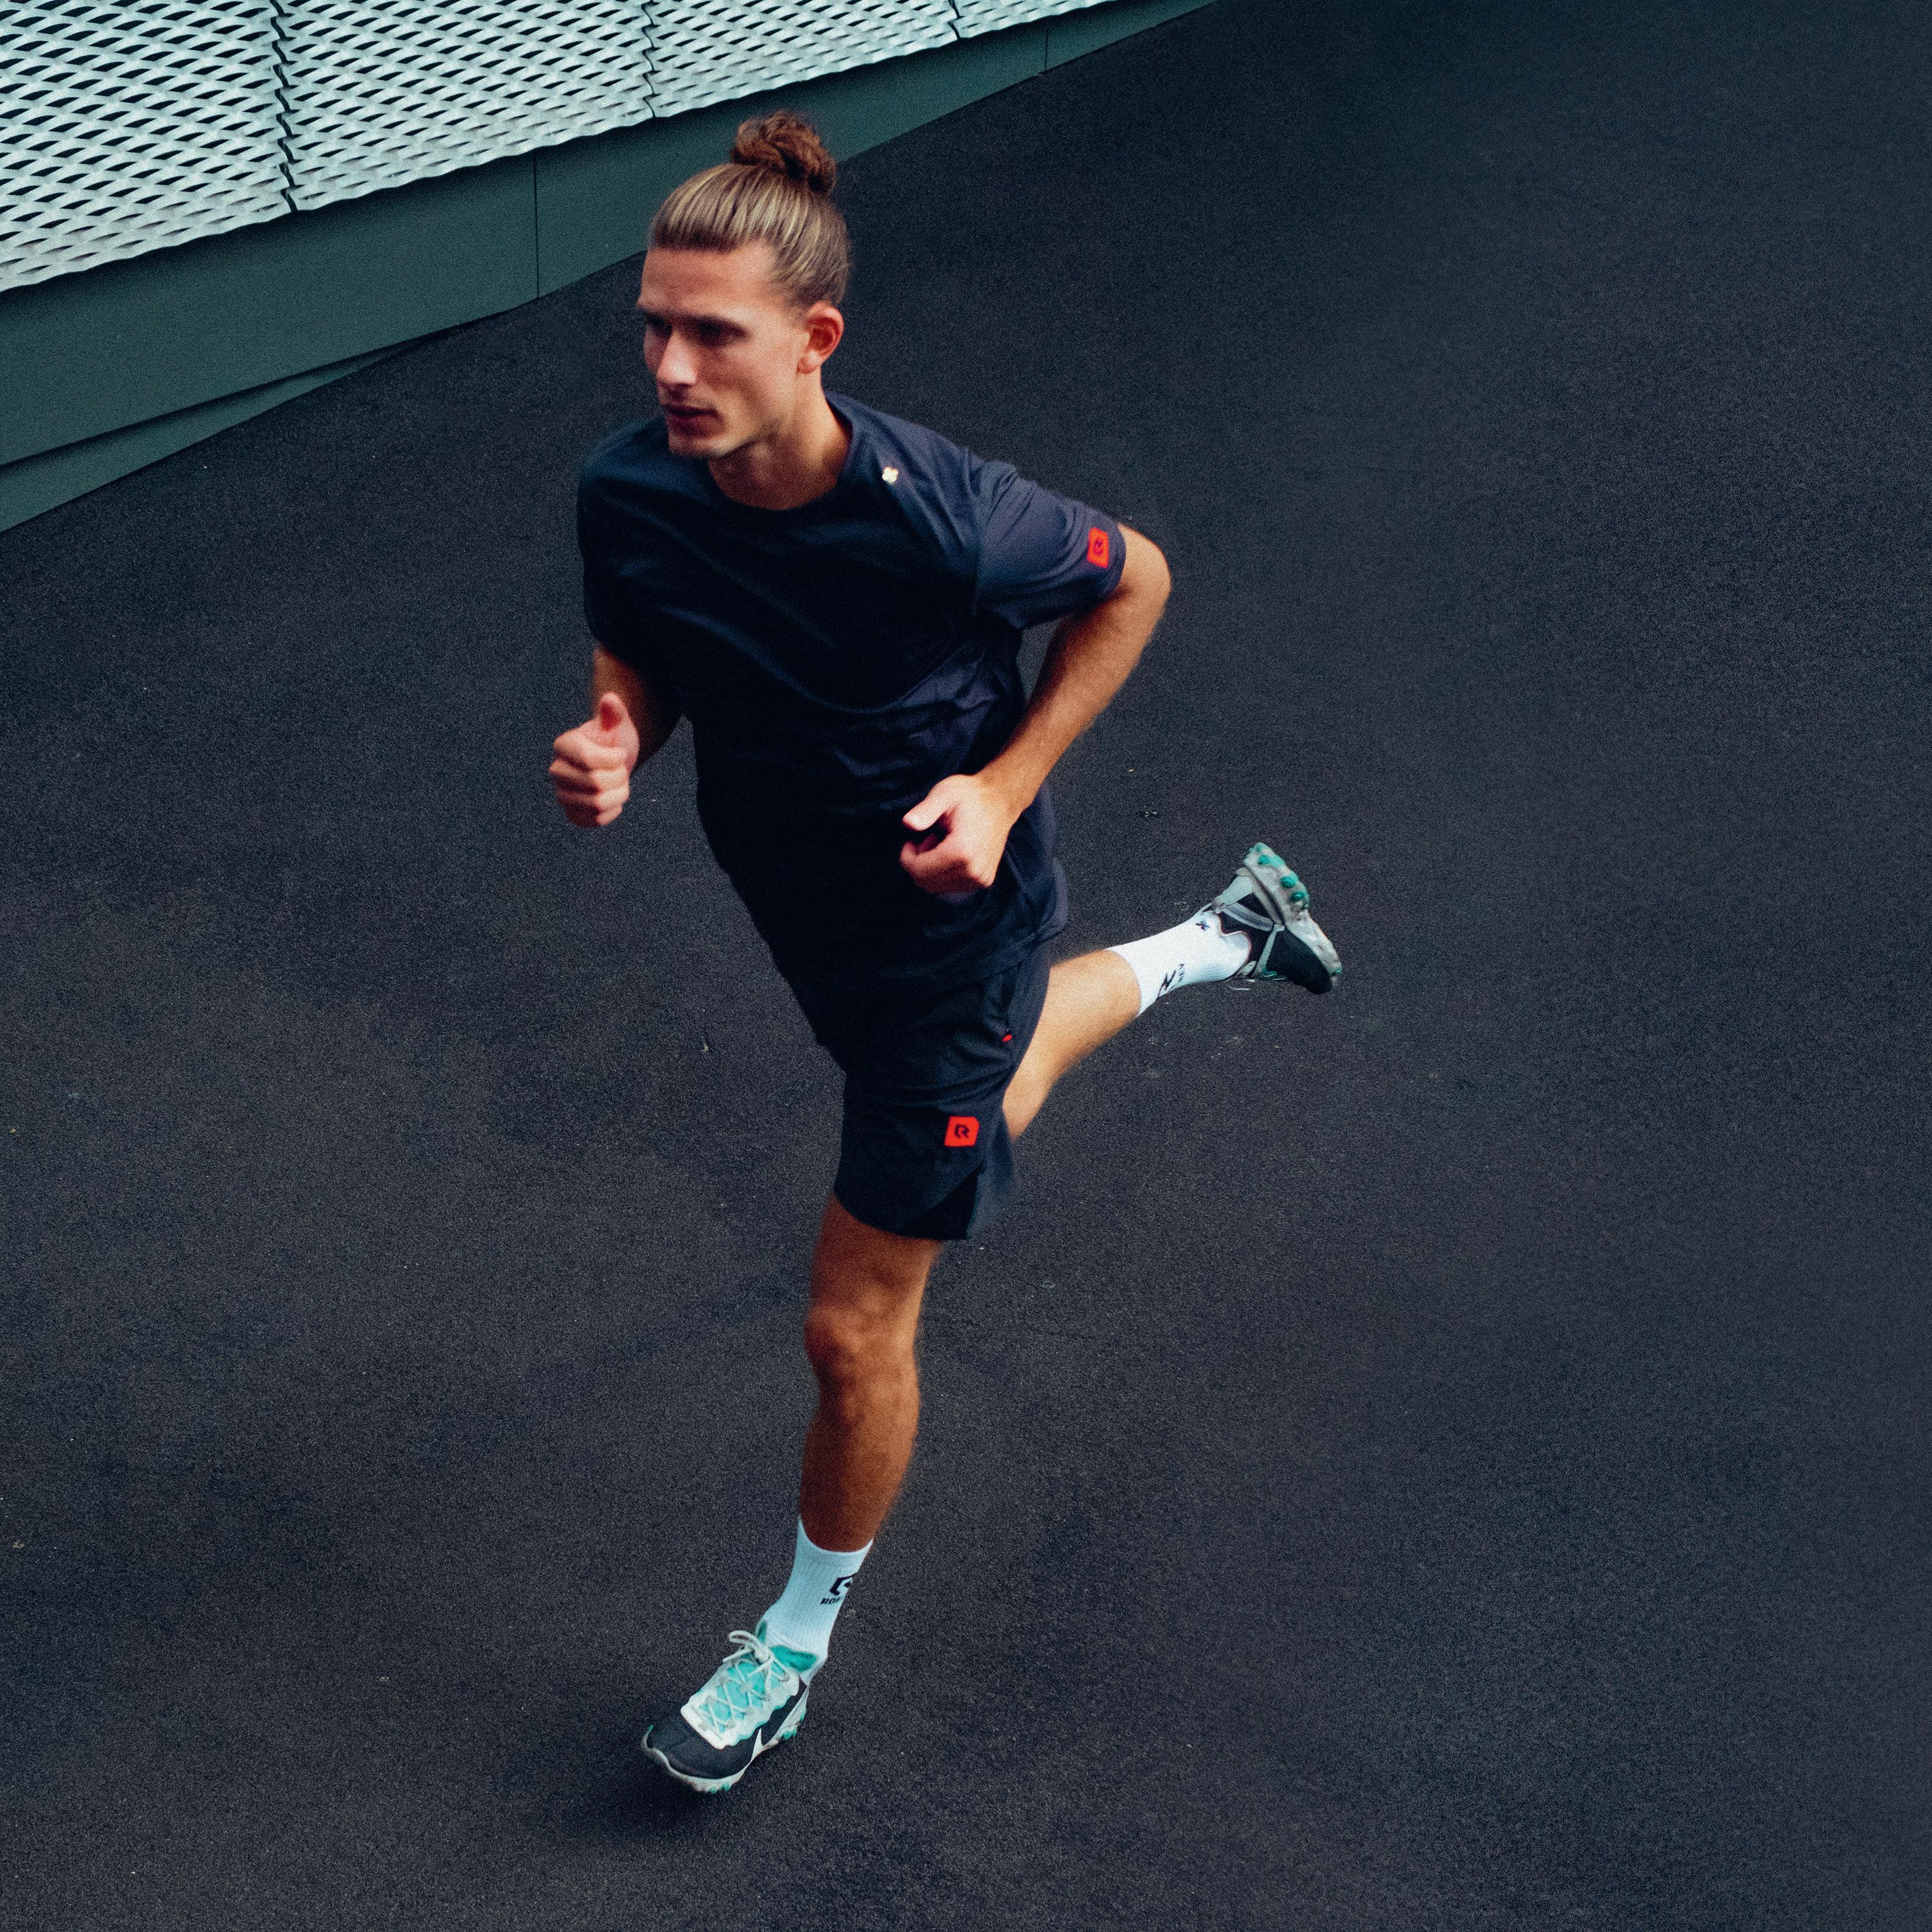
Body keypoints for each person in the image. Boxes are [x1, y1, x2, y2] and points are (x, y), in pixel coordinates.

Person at [549, 110, 1341, 1796]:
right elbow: (644, 645)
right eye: (653, 328)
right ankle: (1228, 934)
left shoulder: (942, 516)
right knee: (986, 1090)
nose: (672, 369)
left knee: (854, 1326)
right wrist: (621, 736)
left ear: (815, 339)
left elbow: (1137, 582)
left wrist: (1002, 785)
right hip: (798, 905)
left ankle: (790, 1646)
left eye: (714, 335)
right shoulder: (629, 488)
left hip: (950, 925)